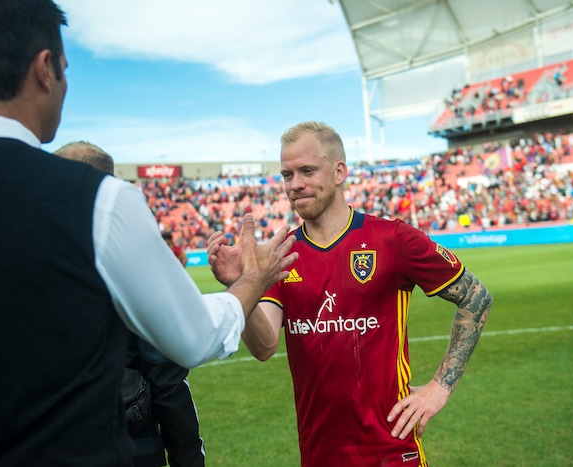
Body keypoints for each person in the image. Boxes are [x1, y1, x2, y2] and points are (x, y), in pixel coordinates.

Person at [0, 1, 297, 465]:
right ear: (45, 68)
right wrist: (254, 279)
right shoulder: (98, 200)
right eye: (67, 69)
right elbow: (191, 338)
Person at [208, 121, 493, 467]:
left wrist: (439, 388)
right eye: (286, 175)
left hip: (391, 453)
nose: (295, 185)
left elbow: (476, 297)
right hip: (318, 456)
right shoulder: (279, 257)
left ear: (339, 171)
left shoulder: (393, 240)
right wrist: (241, 283)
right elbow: (264, 345)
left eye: (307, 171)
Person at [54, 141, 205, 467]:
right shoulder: (129, 263)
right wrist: (189, 459)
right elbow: (168, 380)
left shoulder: (22, 257)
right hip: (130, 446)